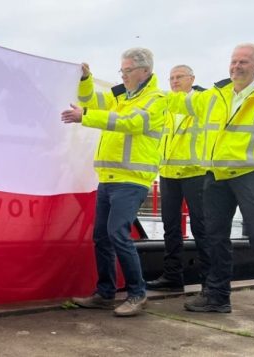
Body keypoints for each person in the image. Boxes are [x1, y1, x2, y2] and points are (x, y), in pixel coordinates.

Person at [169, 44, 254, 328]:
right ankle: (217, 297)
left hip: (252, 175)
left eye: (244, 61)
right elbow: (172, 103)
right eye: (233, 61)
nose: (237, 66)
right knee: (214, 237)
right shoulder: (214, 96)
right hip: (216, 176)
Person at [61, 48, 166, 317]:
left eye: (127, 71)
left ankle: (138, 294)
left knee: (118, 233)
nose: (124, 75)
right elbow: (90, 100)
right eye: (122, 71)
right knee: (102, 237)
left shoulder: (156, 101)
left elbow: (130, 123)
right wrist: (85, 79)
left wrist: (84, 116)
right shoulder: (121, 97)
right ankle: (105, 293)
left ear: (145, 71)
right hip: (109, 179)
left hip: (131, 179)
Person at [147, 65, 209, 292]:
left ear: (192, 78)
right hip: (168, 173)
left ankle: (209, 282)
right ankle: (172, 276)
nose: (174, 81)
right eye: (171, 77)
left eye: (179, 77)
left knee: (202, 228)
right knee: (170, 227)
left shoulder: (203, 102)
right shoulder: (167, 107)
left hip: (196, 173)